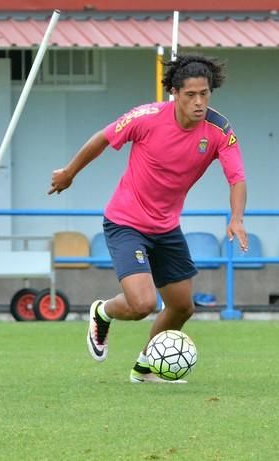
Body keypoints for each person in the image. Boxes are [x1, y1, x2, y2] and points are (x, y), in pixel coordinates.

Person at [47, 55, 248, 383]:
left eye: (205, 94)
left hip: (166, 228)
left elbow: (237, 177)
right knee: (142, 304)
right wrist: (69, 173)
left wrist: (236, 217)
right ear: (174, 93)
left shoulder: (219, 130)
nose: (199, 102)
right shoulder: (146, 117)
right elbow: (103, 137)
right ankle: (103, 312)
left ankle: (145, 367)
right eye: (190, 95)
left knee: (182, 307)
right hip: (126, 222)